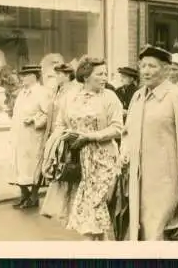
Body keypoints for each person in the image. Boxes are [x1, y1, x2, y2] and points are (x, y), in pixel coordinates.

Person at [122, 45, 178, 241]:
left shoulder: (177, 96)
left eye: (152, 66)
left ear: (166, 70)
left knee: (158, 228)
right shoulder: (138, 96)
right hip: (138, 176)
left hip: (166, 177)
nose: (146, 71)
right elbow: (127, 131)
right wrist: (124, 157)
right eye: (143, 66)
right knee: (138, 227)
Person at [54, 57, 124, 241]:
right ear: (85, 76)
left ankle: (101, 246)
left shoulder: (110, 97)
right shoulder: (70, 98)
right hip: (79, 161)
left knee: (98, 203)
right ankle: (95, 246)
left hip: (104, 159)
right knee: (86, 206)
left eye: (106, 74)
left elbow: (118, 128)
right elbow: (59, 124)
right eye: (100, 74)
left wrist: (90, 136)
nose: (104, 78)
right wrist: (68, 135)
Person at [38, 63, 81, 225]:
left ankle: (70, 210)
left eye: (58, 75)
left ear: (66, 75)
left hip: (66, 135)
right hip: (55, 133)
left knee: (67, 171)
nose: (56, 78)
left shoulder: (73, 90)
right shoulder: (58, 90)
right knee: (60, 172)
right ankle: (63, 209)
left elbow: (71, 113)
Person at [9, 65, 50, 209]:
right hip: (20, 136)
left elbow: (48, 114)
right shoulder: (22, 93)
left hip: (34, 136)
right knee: (20, 167)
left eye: (26, 75)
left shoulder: (42, 93)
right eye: (22, 75)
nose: (22, 78)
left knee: (33, 167)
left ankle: (33, 197)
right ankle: (24, 195)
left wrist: (34, 120)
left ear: (34, 76)